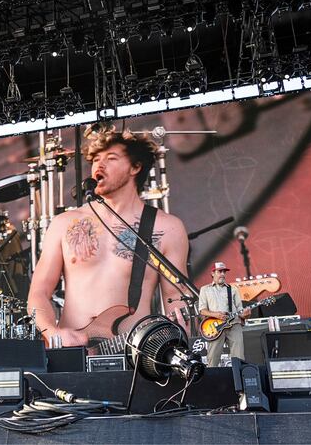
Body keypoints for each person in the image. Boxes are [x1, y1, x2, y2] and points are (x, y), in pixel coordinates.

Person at [27, 124, 190, 349]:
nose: (99, 165)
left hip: (132, 353)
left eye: (111, 158)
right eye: (95, 159)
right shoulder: (64, 224)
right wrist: (53, 333)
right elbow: (38, 293)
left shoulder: (167, 228)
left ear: (135, 167)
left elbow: (176, 298)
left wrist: (180, 342)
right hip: (72, 353)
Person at [197, 262, 252, 367]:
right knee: (213, 358)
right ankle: (212, 376)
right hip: (216, 326)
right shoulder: (205, 289)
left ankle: (238, 375)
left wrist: (246, 314)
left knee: (239, 357)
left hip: (234, 324)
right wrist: (216, 315)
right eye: (219, 271)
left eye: (224, 272)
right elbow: (202, 310)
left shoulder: (233, 289)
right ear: (212, 273)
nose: (222, 274)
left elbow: (240, 310)